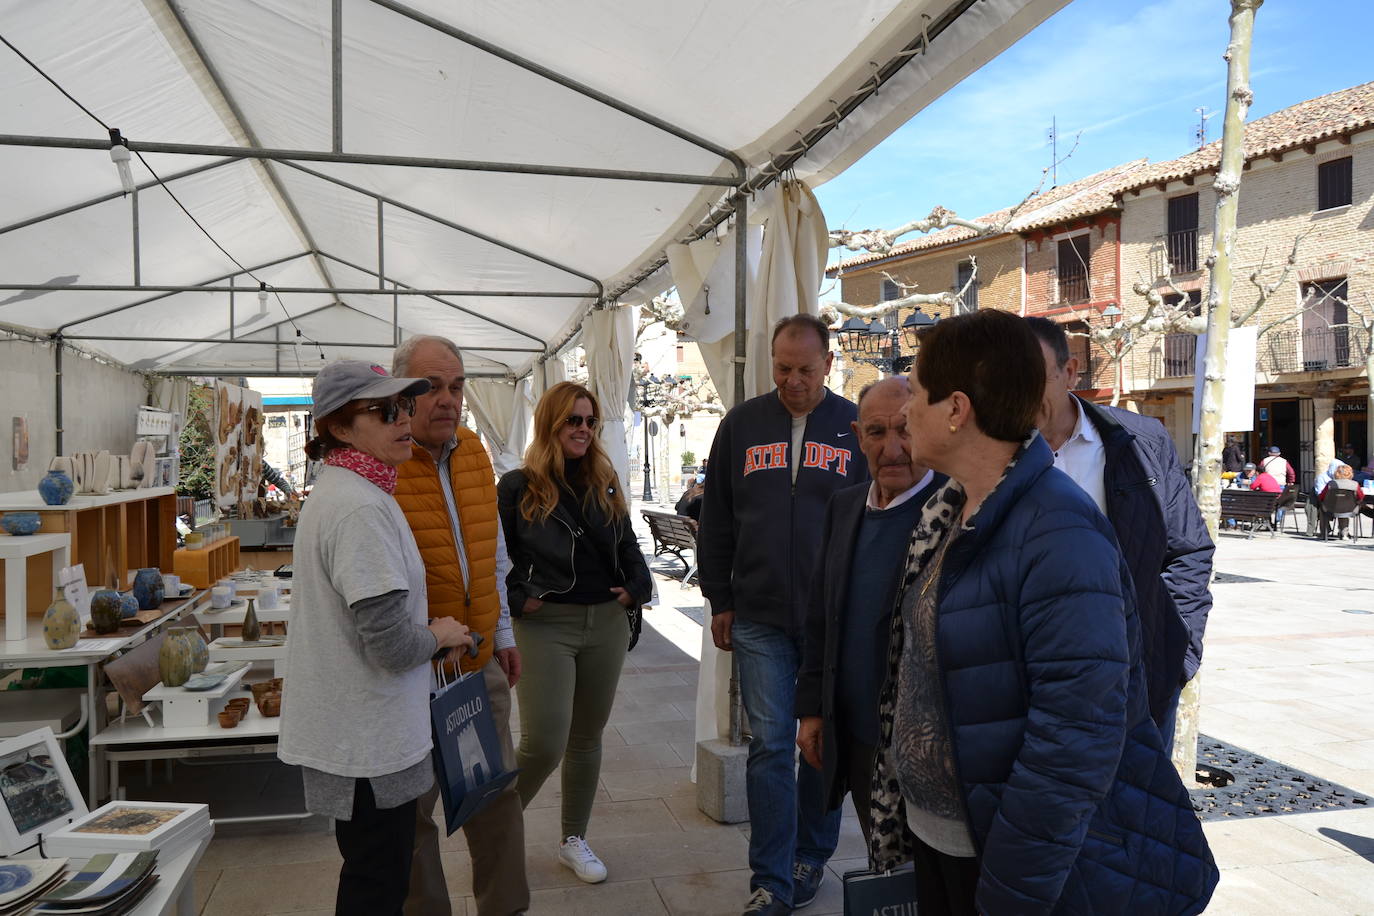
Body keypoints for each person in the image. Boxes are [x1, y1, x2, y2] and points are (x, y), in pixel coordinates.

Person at [871, 308, 1218, 915]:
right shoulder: (949, 513)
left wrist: (1012, 891)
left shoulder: (1057, 530)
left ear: (956, 410)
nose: (903, 412)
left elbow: (1074, 741)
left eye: (918, 394)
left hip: (1005, 862)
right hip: (947, 838)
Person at [279, 360, 473, 916]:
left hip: (358, 731)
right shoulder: (359, 507)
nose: (403, 419)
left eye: (403, 406)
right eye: (384, 411)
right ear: (340, 428)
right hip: (366, 738)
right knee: (377, 880)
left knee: (373, 870)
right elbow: (388, 646)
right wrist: (438, 634)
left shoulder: (351, 490)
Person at [698, 314, 869, 916]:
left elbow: (875, 518)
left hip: (835, 619)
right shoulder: (741, 426)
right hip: (760, 616)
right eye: (782, 368)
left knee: (821, 742)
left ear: (828, 361)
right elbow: (716, 517)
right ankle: (769, 877)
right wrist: (720, 597)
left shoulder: (854, 428)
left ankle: (811, 854)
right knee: (771, 746)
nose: (793, 381)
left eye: (804, 369)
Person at [1027, 317, 1214, 748]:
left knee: (1141, 810)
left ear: (1070, 372)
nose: (1016, 391)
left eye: (1031, 377)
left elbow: (1187, 550)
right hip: (1035, 686)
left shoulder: (1139, 441)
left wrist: (1176, 651)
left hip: (1142, 679)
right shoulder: (990, 453)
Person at [390, 336, 529, 916]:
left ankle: (506, 908)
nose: (447, 399)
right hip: (410, 675)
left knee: (495, 797)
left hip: (476, 665)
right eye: (431, 386)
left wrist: (503, 637)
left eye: (456, 385)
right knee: (414, 816)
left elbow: (491, 552)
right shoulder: (385, 463)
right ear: (404, 392)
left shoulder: (473, 450)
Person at [497, 381, 653, 885]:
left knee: (586, 738)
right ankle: (492, 829)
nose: (583, 429)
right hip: (546, 625)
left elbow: (628, 544)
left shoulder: (605, 482)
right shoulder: (518, 487)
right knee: (543, 741)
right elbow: (497, 558)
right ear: (551, 424)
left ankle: (573, 839)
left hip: (605, 621)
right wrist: (520, 599)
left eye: (589, 421)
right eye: (573, 420)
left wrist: (635, 587)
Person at [794, 376, 945, 844]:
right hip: (857, 738)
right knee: (886, 875)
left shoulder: (952, 509)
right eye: (878, 433)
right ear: (859, 437)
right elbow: (822, 615)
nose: (893, 447)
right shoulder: (845, 507)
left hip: (926, 746)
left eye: (904, 429)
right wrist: (813, 711)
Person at [1319, 463, 1366, 539]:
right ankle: (1344, 533)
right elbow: (1361, 497)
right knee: (1346, 507)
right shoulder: (1355, 484)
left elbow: (1322, 496)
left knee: (1322, 509)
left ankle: (1324, 532)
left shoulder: (1330, 484)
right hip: (1350, 509)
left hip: (1331, 509)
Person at [1307, 458, 1348, 537]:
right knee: (1323, 508)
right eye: (1338, 469)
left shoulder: (1344, 479)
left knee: (1344, 508)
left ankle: (1344, 532)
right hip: (1325, 502)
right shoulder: (1322, 478)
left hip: (1341, 503)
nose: (1340, 471)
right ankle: (1325, 531)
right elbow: (1320, 494)